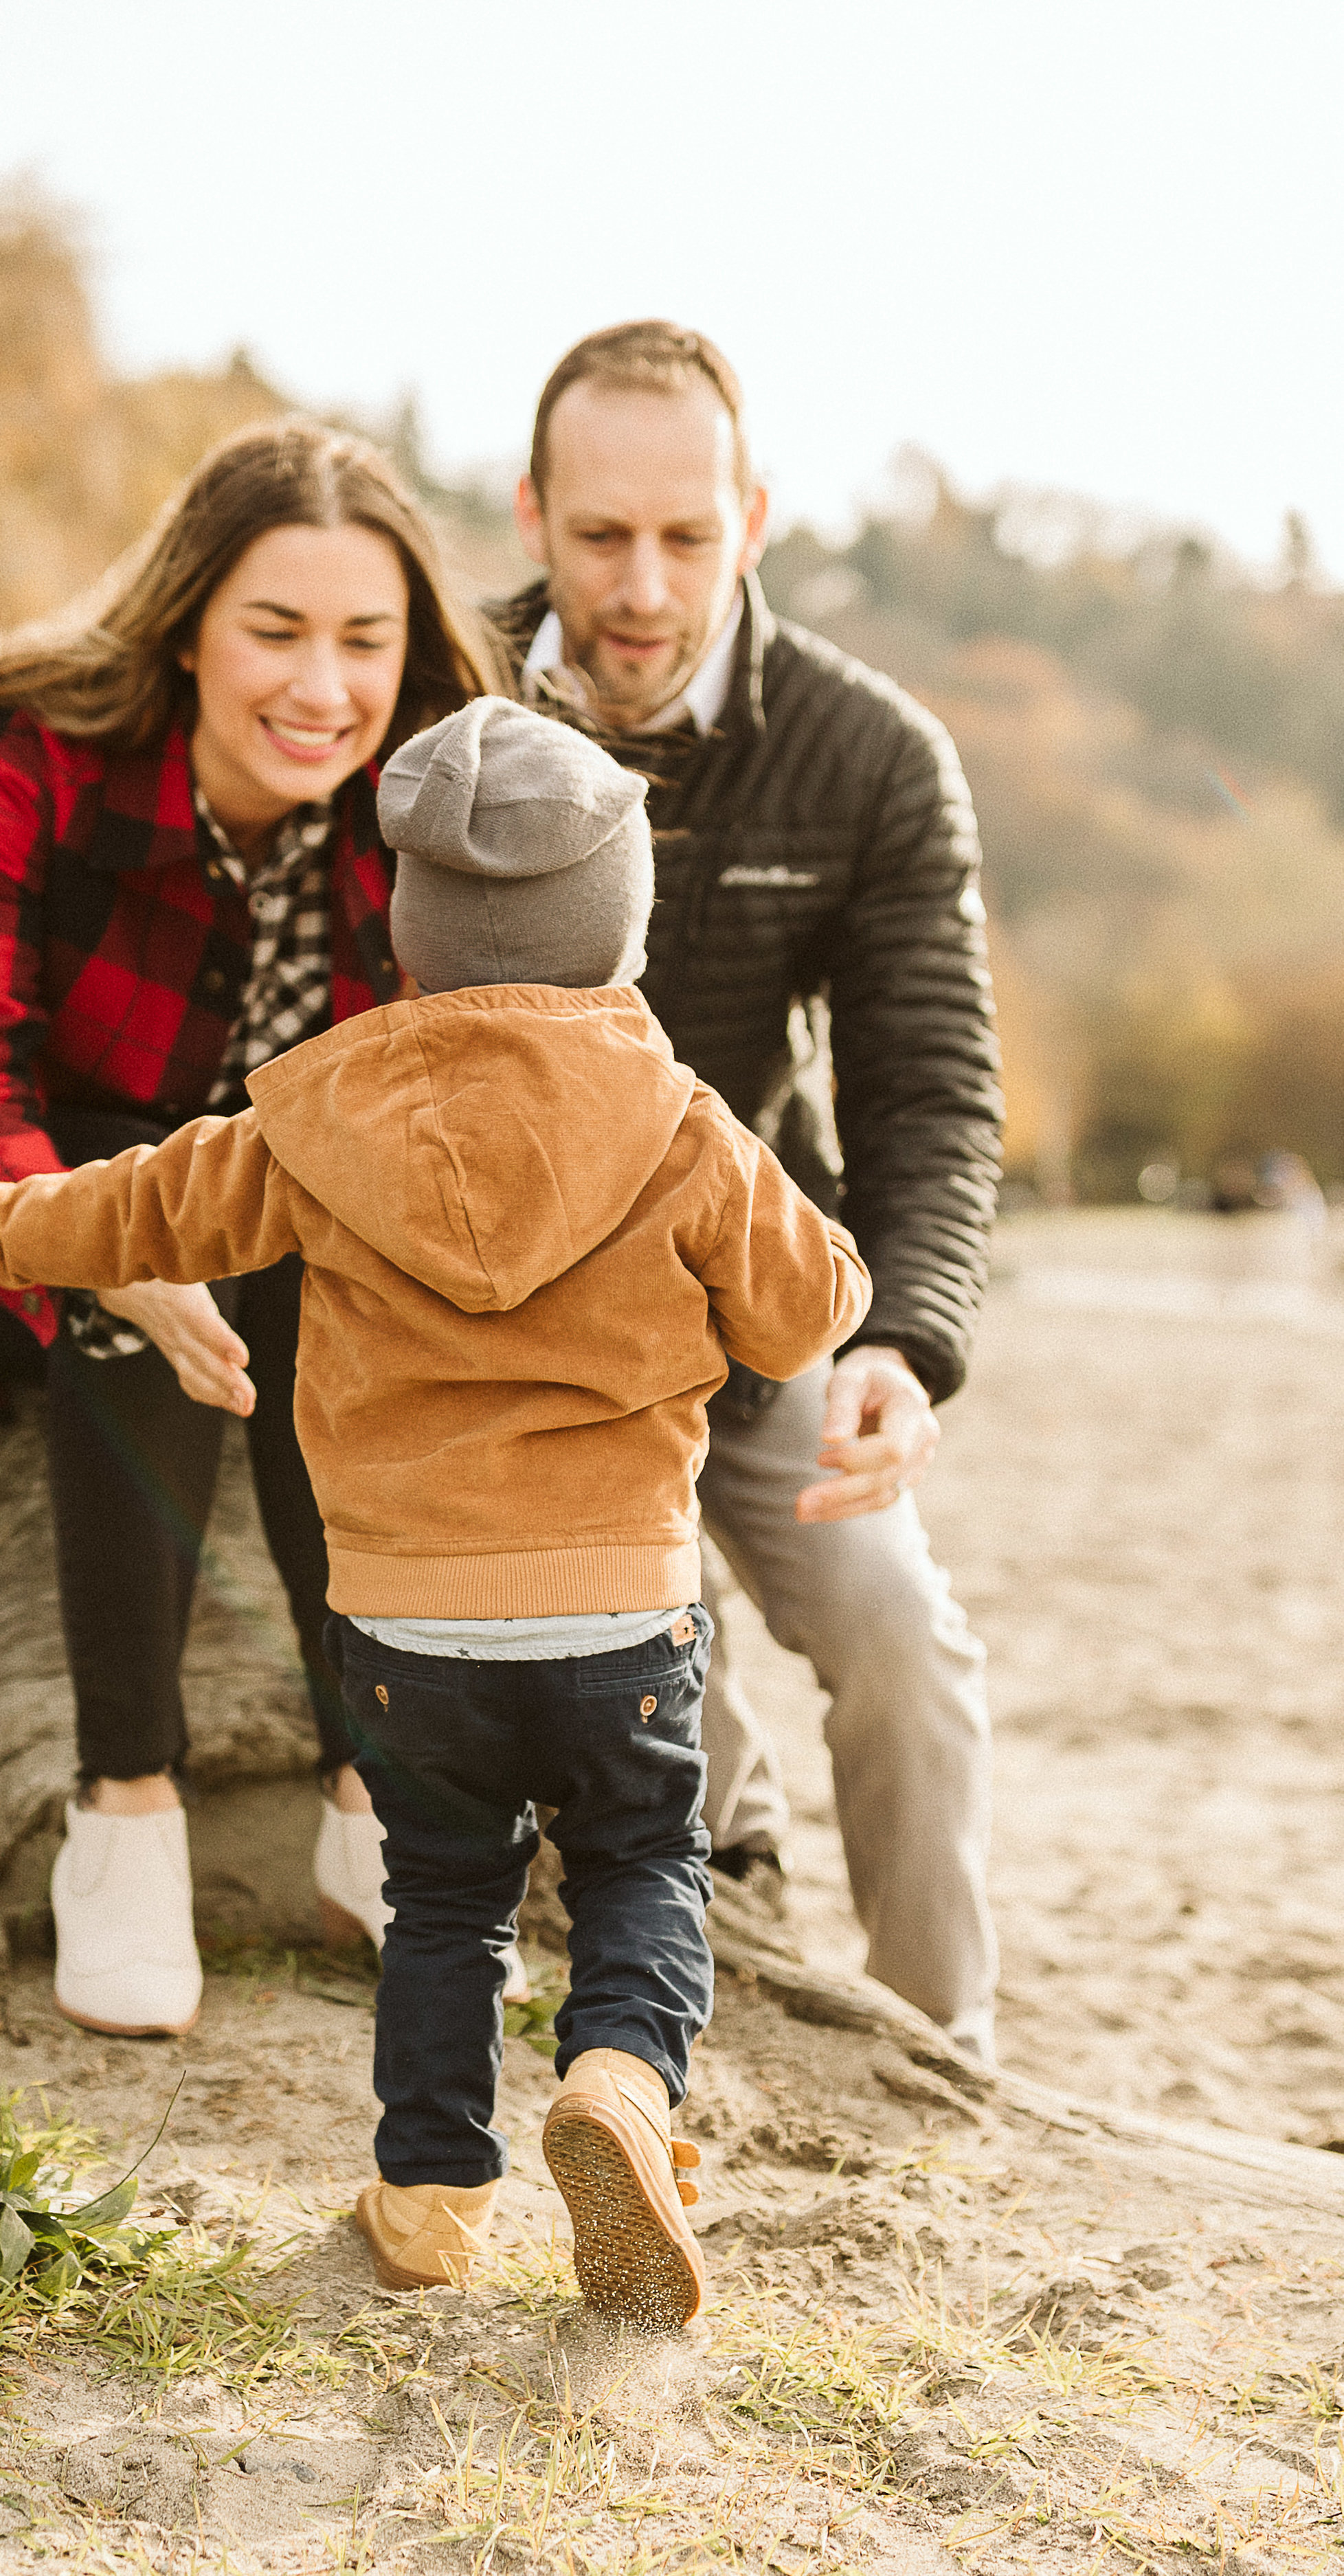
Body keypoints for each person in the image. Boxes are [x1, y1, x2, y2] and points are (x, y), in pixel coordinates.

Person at [0, 697, 871, 2326]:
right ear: (615, 927)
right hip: (618, 1605)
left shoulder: (322, 1113)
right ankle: (619, 2081)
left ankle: (425, 2190)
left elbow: (147, 1202)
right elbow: (800, 1315)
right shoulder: (679, 1122)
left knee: (447, 1898)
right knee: (637, 1865)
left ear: (409, 935)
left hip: (405, 1618)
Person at [0, 418, 506, 2037]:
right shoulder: (30, 740)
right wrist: (111, 1241)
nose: (321, 685)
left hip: (260, 1208)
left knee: (319, 1239)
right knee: (139, 1230)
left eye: (362, 642)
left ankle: (374, 1810)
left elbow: (452, 1080)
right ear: (186, 628)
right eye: (275, 632)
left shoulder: (435, 781)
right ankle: (126, 1812)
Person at [493, 322, 1004, 2062]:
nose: (641, 588)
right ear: (532, 514)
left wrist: (907, 1347)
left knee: (901, 1642)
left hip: (764, 1294)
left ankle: (948, 2044)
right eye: (598, 536)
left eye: (685, 538)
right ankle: (719, 1896)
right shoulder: (442, 697)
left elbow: (929, 1081)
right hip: (515, 1314)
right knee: (655, 1640)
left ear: (753, 519)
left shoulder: (870, 758)